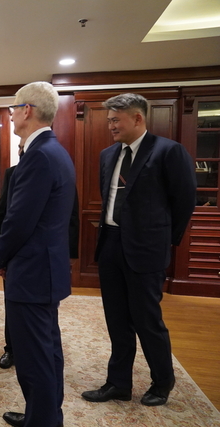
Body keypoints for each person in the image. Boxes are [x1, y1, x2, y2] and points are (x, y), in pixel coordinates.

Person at [81, 93, 196, 407]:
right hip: (110, 244)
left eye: (116, 120)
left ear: (138, 118)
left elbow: (184, 200)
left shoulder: (168, 151)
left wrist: (163, 240)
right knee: (116, 320)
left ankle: (162, 382)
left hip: (146, 249)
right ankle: (118, 383)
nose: (111, 126)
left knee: (147, 320)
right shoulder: (108, 155)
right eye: (109, 120)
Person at [0, 81, 75, 427]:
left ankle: (42, 421)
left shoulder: (38, 155)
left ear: (27, 110)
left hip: (32, 273)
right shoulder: (54, 150)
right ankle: (45, 415)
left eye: (13, 109)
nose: (10, 115)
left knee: (34, 357)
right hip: (46, 270)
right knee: (47, 350)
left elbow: (19, 220)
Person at [0, 144, 80, 372]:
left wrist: (70, 254)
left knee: (42, 325)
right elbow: (3, 211)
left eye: (25, 145)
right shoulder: (12, 173)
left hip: (39, 258)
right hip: (13, 255)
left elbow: (70, 215)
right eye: (20, 147)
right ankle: (11, 348)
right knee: (12, 305)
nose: (23, 149)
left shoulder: (52, 165)